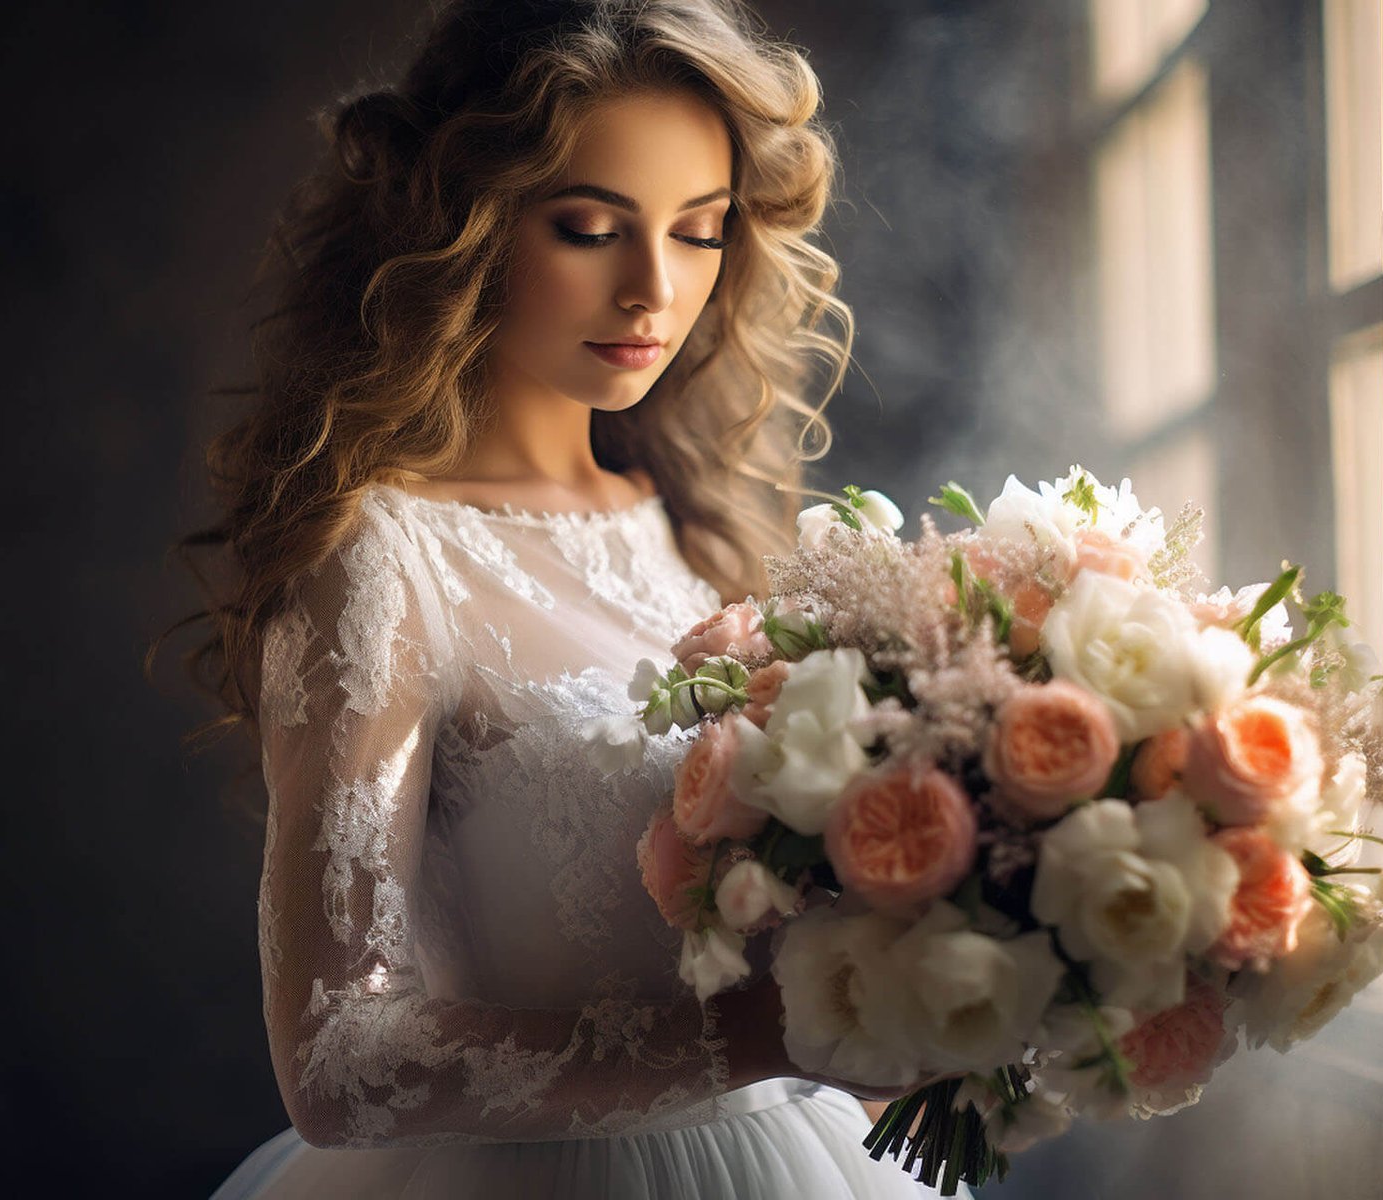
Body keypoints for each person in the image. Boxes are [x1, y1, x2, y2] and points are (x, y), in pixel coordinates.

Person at [180, 1, 946, 1195]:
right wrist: (773, 1039)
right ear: (463, 224)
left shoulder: (696, 531)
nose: (653, 287)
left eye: (698, 233)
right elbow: (338, 1062)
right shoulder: (380, 561)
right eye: (591, 227)